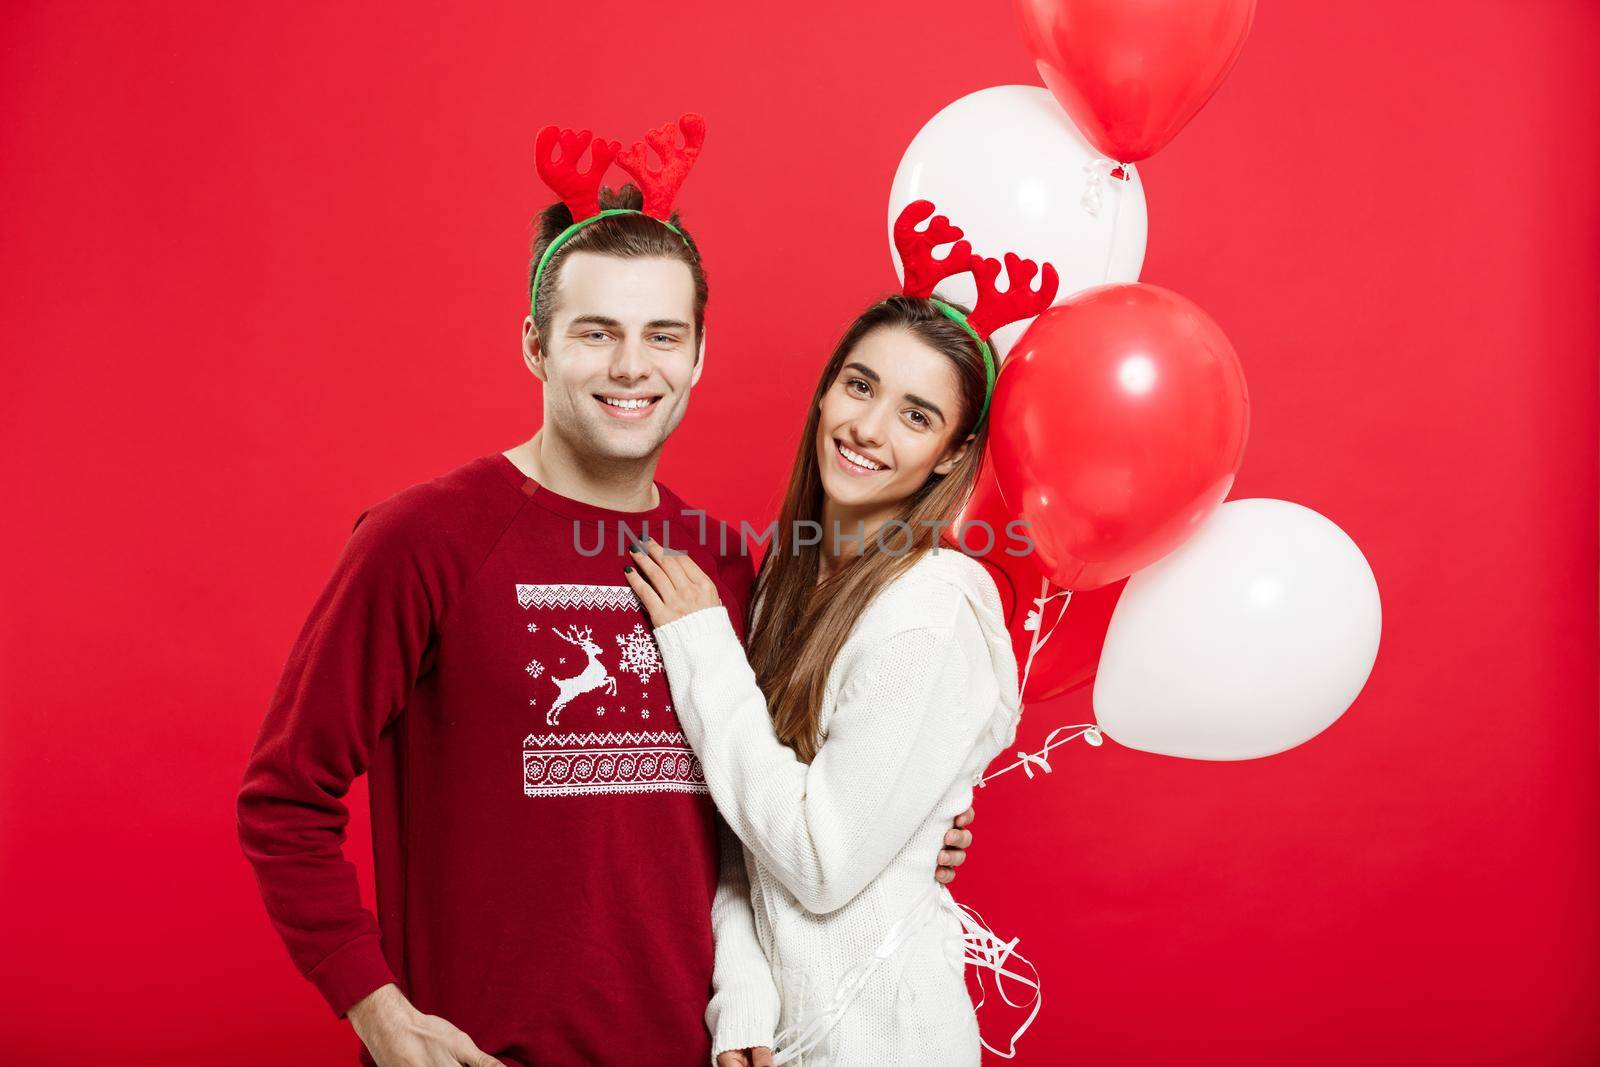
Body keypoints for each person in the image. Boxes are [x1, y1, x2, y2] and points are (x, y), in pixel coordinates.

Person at [235, 117, 972, 1067]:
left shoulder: (732, 566)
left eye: (664, 335)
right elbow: (284, 798)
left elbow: (779, 814)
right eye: (597, 333)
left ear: (699, 356)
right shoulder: (423, 540)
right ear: (537, 347)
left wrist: (918, 830)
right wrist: (377, 1007)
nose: (633, 367)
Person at [624, 208, 1057, 1064]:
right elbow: (747, 830)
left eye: (916, 415)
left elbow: (819, 861)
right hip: (790, 1042)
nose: (867, 428)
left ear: (948, 455)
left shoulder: (929, 611)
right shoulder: (792, 583)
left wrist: (704, 649)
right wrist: (743, 993)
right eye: (860, 387)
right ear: (826, 390)